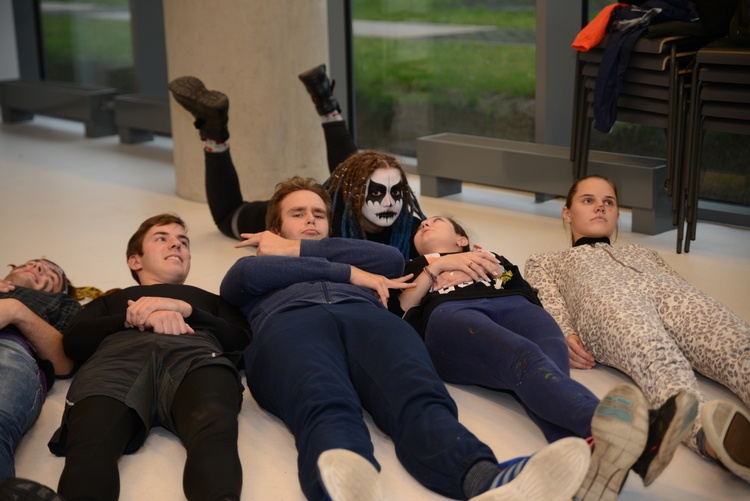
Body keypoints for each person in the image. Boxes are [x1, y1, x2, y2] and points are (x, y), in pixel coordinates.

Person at [220, 176, 592, 501]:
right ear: (275, 227)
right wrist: (351, 274)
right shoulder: (253, 263)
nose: (310, 220)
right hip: (290, 325)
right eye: (297, 213)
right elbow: (243, 281)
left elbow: (389, 260)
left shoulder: (356, 252)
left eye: (318, 214)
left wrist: (307, 252)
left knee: (418, 395)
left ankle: (485, 479)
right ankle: (343, 488)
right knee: (323, 399)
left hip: (368, 320)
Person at [392, 215, 699, 499]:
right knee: (523, 357)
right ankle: (632, 433)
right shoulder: (413, 265)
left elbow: (517, 282)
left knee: (550, 369)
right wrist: (436, 268)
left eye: (436, 221)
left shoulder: (489, 255)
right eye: (421, 226)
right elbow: (402, 307)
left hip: (516, 304)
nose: (425, 224)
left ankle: (590, 469)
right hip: (452, 313)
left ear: (462, 239)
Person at [524, 174, 750, 484]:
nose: (600, 207)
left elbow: (678, 283)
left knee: (736, 341)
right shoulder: (546, 261)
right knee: (658, 358)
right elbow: (548, 300)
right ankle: (711, 439)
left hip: (673, 296)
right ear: (567, 213)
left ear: (617, 214)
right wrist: (564, 333)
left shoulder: (644, 252)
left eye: (608, 202)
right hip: (608, 303)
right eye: (588, 201)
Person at [47, 214, 252, 501]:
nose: (177, 245)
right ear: (135, 260)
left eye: (183, 242)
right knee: (90, 441)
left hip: (195, 357)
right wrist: (132, 318)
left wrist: (187, 311)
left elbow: (242, 340)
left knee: (214, 426)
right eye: (161, 238)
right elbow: (73, 341)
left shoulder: (211, 300)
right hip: (115, 362)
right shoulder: (110, 300)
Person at [168, 65, 425, 259]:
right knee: (228, 216)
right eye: (377, 193)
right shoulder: (319, 222)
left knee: (357, 172)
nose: (389, 202)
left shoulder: (406, 224)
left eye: (397, 192)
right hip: (309, 204)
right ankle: (215, 133)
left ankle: (327, 103)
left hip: (337, 195)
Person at [0, 258, 79, 482]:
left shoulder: (64, 304)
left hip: (9, 348)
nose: (37, 267)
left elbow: (63, 363)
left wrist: (16, 310)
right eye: (30, 263)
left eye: (50, 276)